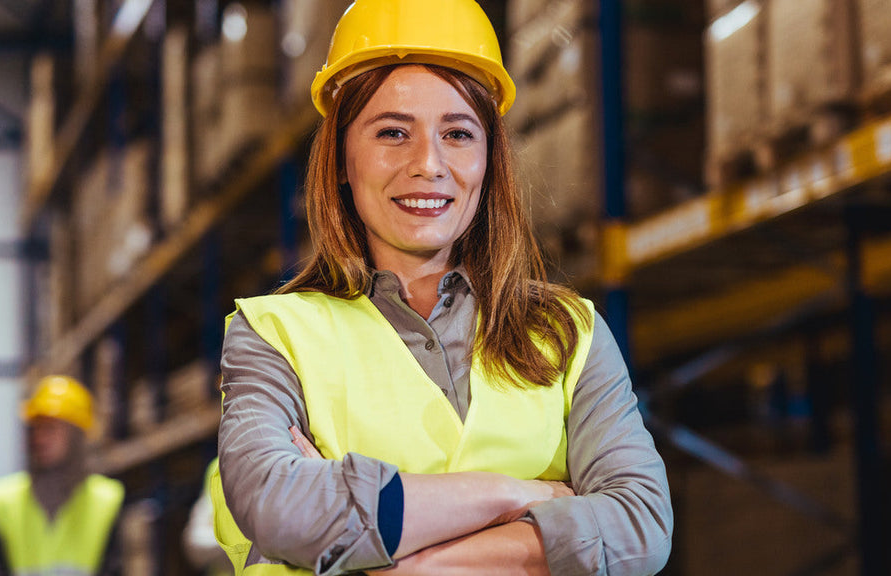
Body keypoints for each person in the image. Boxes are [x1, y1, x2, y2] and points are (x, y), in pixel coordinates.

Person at [211, 0, 673, 574]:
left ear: (488, 159)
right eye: (392, 132)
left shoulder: (569, 333)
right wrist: (516, 495)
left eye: (457, 133)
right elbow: (285, 511)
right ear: (341, 160)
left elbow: (641, 525)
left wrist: (412, 563)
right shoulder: (274, 337)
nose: (428, 163)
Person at [0, 375, 125, 576]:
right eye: (36, 428)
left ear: (76, 435)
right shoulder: (2, 501)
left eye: (50, 428)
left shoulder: (106, 501)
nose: (39, 438)